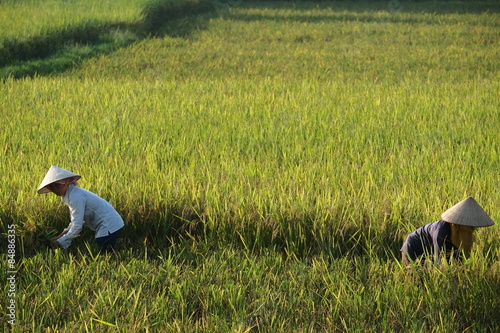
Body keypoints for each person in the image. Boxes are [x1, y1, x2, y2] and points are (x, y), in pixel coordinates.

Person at [37, 165, 124, 252]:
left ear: (66, 181)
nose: (55, 189)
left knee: (97, 253)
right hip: (110, 224)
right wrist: (61, 235)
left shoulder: (75, 196)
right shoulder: (69, 194)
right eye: (51, 187)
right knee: (100, 251)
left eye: (57, 186)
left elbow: (77, 226)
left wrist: (60, 242)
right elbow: (74, 220)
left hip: (109, 225)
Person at [401, 196, 494, 265]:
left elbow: (459, 257)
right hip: (413, 249)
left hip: (430, 251)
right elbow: (440, 264)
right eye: (469, 225)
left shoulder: (463, 232)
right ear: (459, 224)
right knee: (419, 279)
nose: (472, 229)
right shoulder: (441, 234)